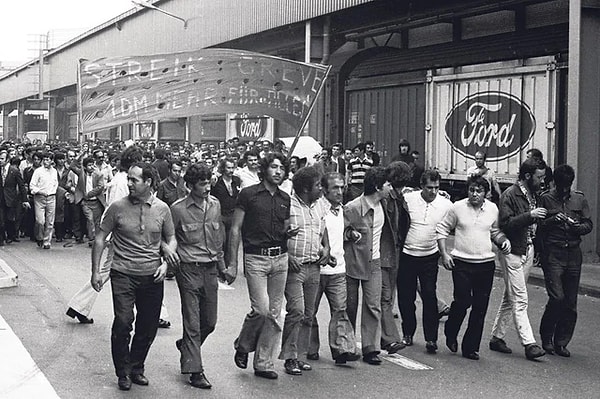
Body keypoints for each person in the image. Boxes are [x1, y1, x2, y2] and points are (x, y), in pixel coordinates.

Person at [90, 162, 178, 391]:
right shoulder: (117, 208)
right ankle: (123, 372)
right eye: (128, 179)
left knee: (148, 325)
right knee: (123, 322)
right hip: (122, 274)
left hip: (152, 276)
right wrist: (96, 272)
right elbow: (100, 238)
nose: (128, 183)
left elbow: (171, 238)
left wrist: (167, 263)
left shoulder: (162, 209)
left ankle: (136, 366)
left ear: (148, 182)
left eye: (134, 180)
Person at [170, 164, 235, 389]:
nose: (207, 188)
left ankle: (186, 345)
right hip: (188, 269)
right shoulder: (177, 209)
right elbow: (167, 237)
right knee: (193, 322)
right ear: (190, 186)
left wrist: (224, 267)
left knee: (210, 321)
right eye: (202, 184)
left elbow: (218, 240)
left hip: (209, 269)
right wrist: (169, 256)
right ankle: (195, 370)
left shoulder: (215, 205)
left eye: (209, 182)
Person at [230, 152, 294, 380]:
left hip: (281, 258)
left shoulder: (286, 198)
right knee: (261, 310)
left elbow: (286, 227)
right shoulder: (248, 195)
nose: (278, 172)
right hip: (255, 258)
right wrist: (232, 262)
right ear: (265, 169)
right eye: (274, 167)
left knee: (275, 314)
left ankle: (264, 363)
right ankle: (244, 344)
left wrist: (290, 232)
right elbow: (235, 228)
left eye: (282, 169)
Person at [437, 175, 511, 360]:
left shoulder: (492, 209)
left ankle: (470, 347)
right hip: (461, 263)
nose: (475, 194)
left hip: (485, 264)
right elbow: (443, 229)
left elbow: (494, 230)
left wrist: (503, 240)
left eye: (479, 191)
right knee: (462, 301)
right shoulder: (457, 208)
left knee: (480, 307)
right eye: (472, 190)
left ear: (486, 193)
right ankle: (451, 330)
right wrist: (445, 254)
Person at [66, 146, 142, 325]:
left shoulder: (123, 180)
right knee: (116, 271)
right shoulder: (121, 182)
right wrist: (109, 235)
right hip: (123, 236)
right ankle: (79, 305)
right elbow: (114, 210)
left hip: (128, 234)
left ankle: (78, 305)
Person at [488, 159, 548, 360]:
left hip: (527, 249)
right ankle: (529, 344)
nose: (542, 180)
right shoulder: (509, 195)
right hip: (512, 251)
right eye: (539, 177)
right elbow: (505, 224)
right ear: (528, 176)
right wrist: (530, 215)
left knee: (510, 295)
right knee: (520, 298)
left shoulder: (534, 194)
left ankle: (497, 337)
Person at [537, 164, 592, 357]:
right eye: (561, 187)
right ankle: (546, 337)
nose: (564, 191)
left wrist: (577, 226)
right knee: (557, 297)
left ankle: (561, 342)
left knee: (570, 302)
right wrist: (553, 220)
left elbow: (588, 225)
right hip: (553, 253)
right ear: (555, 183)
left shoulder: (579, 198)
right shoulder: (546, 198)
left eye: (567, 187)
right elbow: (539, 226)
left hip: (573, 254)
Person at [279, 166, 330, 376]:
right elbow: (277, 233)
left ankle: (300, 357)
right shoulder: (287, 206)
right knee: (297, 311)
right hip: (294, 268)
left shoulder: (320, 205)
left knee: (309, 314)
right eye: (318, 185)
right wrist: (287, 256)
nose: (322, 188)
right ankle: (289, 357)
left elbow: (323, 228)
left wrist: (326, 248)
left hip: (314, 266)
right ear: (306, 188)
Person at [397, 169, 453, 353]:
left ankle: (431, 339)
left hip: (430, 256)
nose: (433, 192)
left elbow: (453, 224)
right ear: (421, 186)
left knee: (429, 296)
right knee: (406, 297)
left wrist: (445, 253)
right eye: (429, 188)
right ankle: (408, 333)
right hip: (407, 255)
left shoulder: (446, 204)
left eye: (437, 188)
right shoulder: (409, 198)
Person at [307, 172, 360, 364]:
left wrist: (351, 233)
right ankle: (309, 349)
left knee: (340, 310)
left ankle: (342, 350)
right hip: (317, 268)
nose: (340, 191)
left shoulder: (343, 210)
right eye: (335, 188)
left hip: (338, 269)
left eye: (342, 187)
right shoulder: (316, 209)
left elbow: (344, 229)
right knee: (309, 312)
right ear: (324, 190)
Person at [344, 166, 391, 365]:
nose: (390, 187)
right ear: (378, 187)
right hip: (353, 262)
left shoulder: (386, 204)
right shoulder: (353, 207)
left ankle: (370, 348)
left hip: (375, 261)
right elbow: (339, 231)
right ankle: (345, 347)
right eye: (388, 184)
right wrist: (350, 234)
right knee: (350, 306)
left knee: (373, 305)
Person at [379, 161, 412, 354]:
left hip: (394, 251)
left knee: (387, 296)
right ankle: (388, 339)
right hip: (386, 252)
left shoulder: (398, 196)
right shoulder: (387, 196)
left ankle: (383, 337)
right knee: (385, 296)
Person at [211, 157, 241, 271]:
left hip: (233, 215)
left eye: (233, 167)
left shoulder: (237, 180)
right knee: (221, 241)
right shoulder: (217, 181)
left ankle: (229, 267)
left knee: (231, 242)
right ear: (223, 169)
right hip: (220, 215)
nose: (231, 170)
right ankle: (220, 267)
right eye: (228, 168)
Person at [72, 156, 106, 247]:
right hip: (85, 202)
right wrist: (80, 155)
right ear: (85, 167)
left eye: (93, 165)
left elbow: (100, 187)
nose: (92, 167)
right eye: (89, 165)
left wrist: (89, 194)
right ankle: (92, 239)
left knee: (97, 222)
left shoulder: (99, 174)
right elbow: (72, 165)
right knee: (89, 219)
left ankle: (97, 239)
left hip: (96, 201)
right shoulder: (81, 173)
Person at [29, 151, 59, 249]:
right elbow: (32, 185)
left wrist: (52, 191)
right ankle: (39, 237)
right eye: (45, 160)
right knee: (40, 221)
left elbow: (56, 183)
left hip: (51, 197)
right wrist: (40, 191)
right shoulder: (38, 171)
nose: (46, 162)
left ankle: (47, 241)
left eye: (48, 160)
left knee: (50, 221)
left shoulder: (54, 171)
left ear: (52, 161)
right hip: (39, 197)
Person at [0, 150, 28, 245]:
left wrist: (24, 200)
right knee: (1, 219)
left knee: (9, 219)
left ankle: (10, 235)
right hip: (1, 198)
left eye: (2, 159)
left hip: (11, 198)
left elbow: (21, 185)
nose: (0, 161)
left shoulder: (14, 170)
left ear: (7, 160)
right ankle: (1, 238)